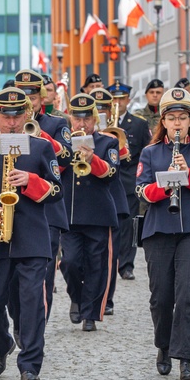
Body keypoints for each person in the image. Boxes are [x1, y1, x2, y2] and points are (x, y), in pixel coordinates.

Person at [0, 87, 62, 380]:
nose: (11, 122)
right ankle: (1, 347)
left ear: (27, 115)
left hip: (32, 236)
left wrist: (32, 181)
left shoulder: (41, 147)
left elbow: (57, 190)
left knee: (32, 300)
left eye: (17, 115)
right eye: (5, 116)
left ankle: (30, 363)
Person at [137, 87, 190, 380]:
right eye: (171, 118)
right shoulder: (150, 153)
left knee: (189, 295)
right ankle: (163, 346)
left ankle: (186, 357)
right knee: (161, 297)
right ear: (163, 121)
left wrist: (188, 175)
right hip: (159, 229)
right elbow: (142, 191)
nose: (176, 123)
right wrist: (167, 183)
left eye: (182, 117)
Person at [13, 69, 71, 324]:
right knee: (13, 277)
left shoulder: (57, 123)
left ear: (42, 97)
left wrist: (39, 134)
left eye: (33, 97)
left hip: (47, 210)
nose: (29, 103)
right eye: (24, 97)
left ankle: (35, 329)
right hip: (14, 209)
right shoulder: (5, 122)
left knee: (43, 274)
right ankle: (20, 322)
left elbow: (68, 157)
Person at [58, 93, 119, 332]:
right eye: (77, 119)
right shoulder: (64, 141)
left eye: (86, 119)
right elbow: (53, 168)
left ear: (95, 119)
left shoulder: (108, 142)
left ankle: (91, 313)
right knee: (70, 262)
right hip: (69, 214)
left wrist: (92, 159)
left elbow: (111, 173)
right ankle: (77, 296)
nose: (82, 124)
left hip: (98, 212)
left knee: (97, 265)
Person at [100, 83, 151, 282]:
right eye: (114, 99)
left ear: (128, 100)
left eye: (122, 99)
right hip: (107, 179)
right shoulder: (102, 123)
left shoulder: (138, 124)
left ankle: (126, 265)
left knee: (128, 224)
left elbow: (146, 151)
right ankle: (110, 260)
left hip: (129, 181)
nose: (118, 103)